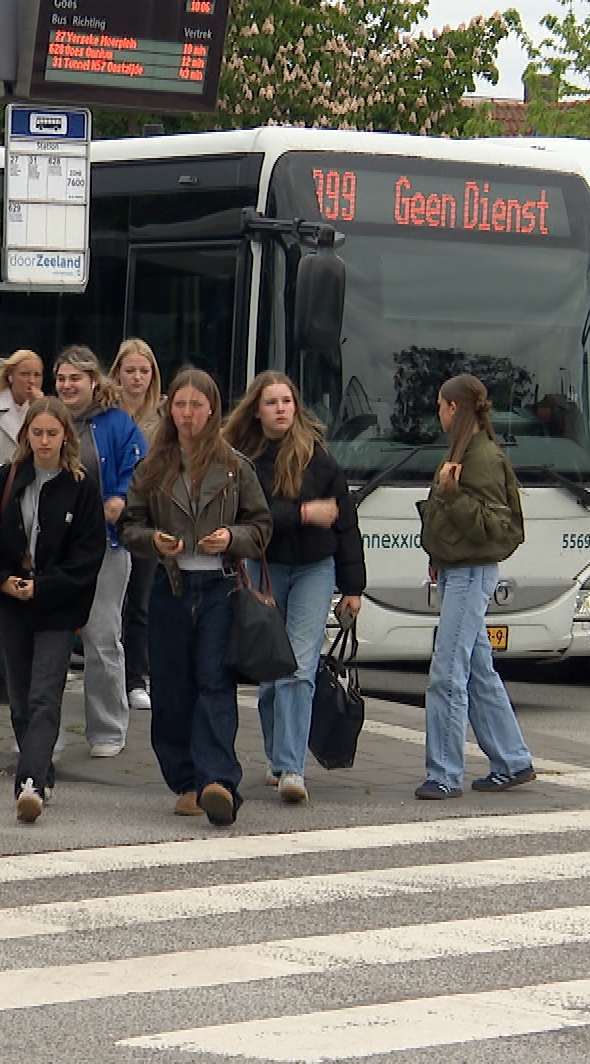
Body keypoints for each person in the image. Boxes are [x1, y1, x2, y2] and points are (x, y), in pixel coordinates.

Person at [119, 367, 272, 827]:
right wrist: (154, 541)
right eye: (180, 406)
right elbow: (129, 525)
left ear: (212, 411)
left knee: (213, 683)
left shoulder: (234, 466)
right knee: (171, 687)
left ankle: (218, 781)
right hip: (170, 586)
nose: (188, 415)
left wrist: (231, 536)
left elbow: (261, 526)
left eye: (197, 407)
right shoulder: (153, 467)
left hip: (219, 589)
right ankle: (184, 781)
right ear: (170, 410)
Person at [223, 371, 366, 805]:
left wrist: (353, 587)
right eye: (272, 402)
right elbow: (254, 515)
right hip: (265, 566)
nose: (281, 409)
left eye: (287, 401)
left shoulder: (318, 458)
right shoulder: (244, 459)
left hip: (314, 569)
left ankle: (292, 768)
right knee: (271, 667)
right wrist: (303, 513)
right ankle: (275, 754)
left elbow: (345, 523)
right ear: (257, 410)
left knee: (300, 668)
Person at [0, 398, 107, 822]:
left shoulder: (81, 487)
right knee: (22, 698)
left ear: (66, 436)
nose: (44, 441)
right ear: (26, 434)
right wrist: (2, 581)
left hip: (58, 607)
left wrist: (43, 587)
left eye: (52, 433)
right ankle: (41, 771)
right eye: (37, 433)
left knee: (46, 693)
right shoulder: (7, 480)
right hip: (11, 603)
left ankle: (29, 782)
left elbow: (87, 555)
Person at [416, 373, 537, 800]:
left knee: (447, 672)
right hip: (457, 569)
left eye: (441, 405)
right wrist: (439, 552)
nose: (438, 411)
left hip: (471, 573)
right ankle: (512, 760)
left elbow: (497, 526)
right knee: (477, 670)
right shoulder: (466, 449)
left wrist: (451, 495)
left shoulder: (481, 456)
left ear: (454, 408)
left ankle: (445, 773)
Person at [52, 346, 146, 758]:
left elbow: (140, 470)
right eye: (61, 379)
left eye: (75, 378)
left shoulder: (118, 423)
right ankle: (45, 732)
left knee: (103, 638)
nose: (67, 385)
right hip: (54, 549)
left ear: (94, 382)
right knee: (49, 639)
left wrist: (121, 498)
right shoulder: (47, 420)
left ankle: (107, 730)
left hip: (105, 546)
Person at [112, 337, 163, 713]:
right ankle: (110, 678)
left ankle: (135, 678)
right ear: (117, 373)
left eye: (144, 371)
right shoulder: (106, 413)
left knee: (141, 604)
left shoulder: (162, 417)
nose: (137, 378)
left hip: (147, 518)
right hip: (109, 517)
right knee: (109, 604)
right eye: (130, 370)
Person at [0, 349, 45, 461]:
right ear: (10, 376)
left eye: (37, 375)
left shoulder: (48, 410)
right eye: (25, 374)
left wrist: (42, 409)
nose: (32, 381)